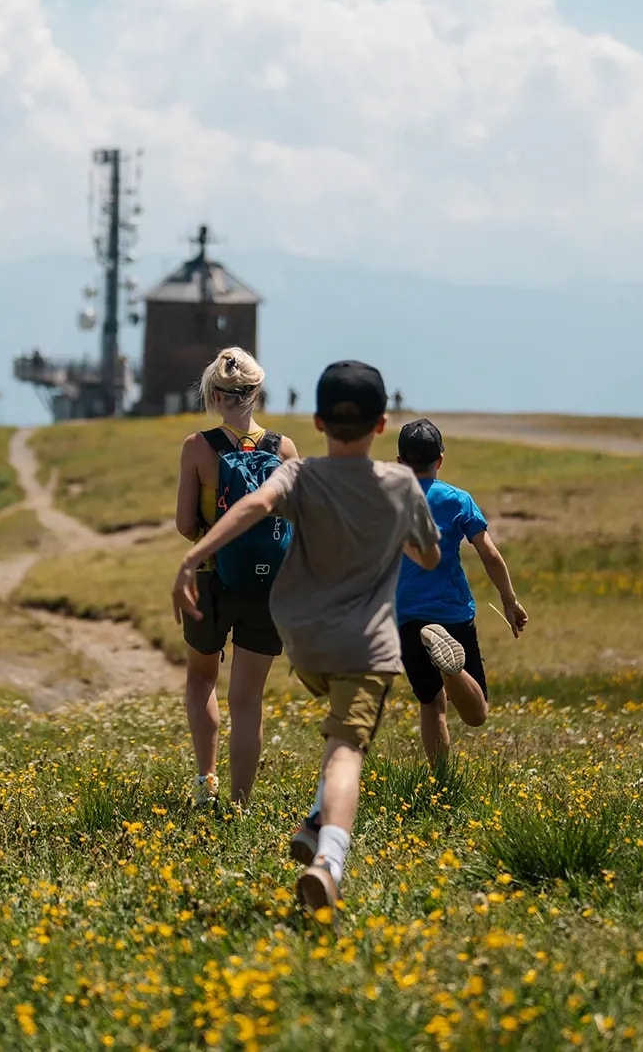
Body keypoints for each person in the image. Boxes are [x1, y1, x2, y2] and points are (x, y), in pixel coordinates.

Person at [173, 361, 440, 925]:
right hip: (364, 647)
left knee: (323, 730)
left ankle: (314, 820)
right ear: (383, 422)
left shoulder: (302, 476)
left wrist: (196, 555)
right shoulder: (399, 486)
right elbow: (429, 556)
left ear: (318, 421)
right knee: (345, 751)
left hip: (307, 642)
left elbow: (252, 506)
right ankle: (327, 860)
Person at [172, 348, 297, 809]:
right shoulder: (285, 449)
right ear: (256, 392)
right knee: (248, 699)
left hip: (211, 578)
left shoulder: (197, 447)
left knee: (202, 678)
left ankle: (206, 784)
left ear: (215, 394)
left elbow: (186, 525)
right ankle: (240, 805)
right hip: (268, 590)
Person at [392, 420, 528, 773]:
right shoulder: (456, 499)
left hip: (406, 616)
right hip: (452, 612)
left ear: (399, 461)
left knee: (431, 703)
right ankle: (451, 670)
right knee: (476, 714)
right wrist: (509, 601)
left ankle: (440, 781)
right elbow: (490, 554)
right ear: (440, 460)